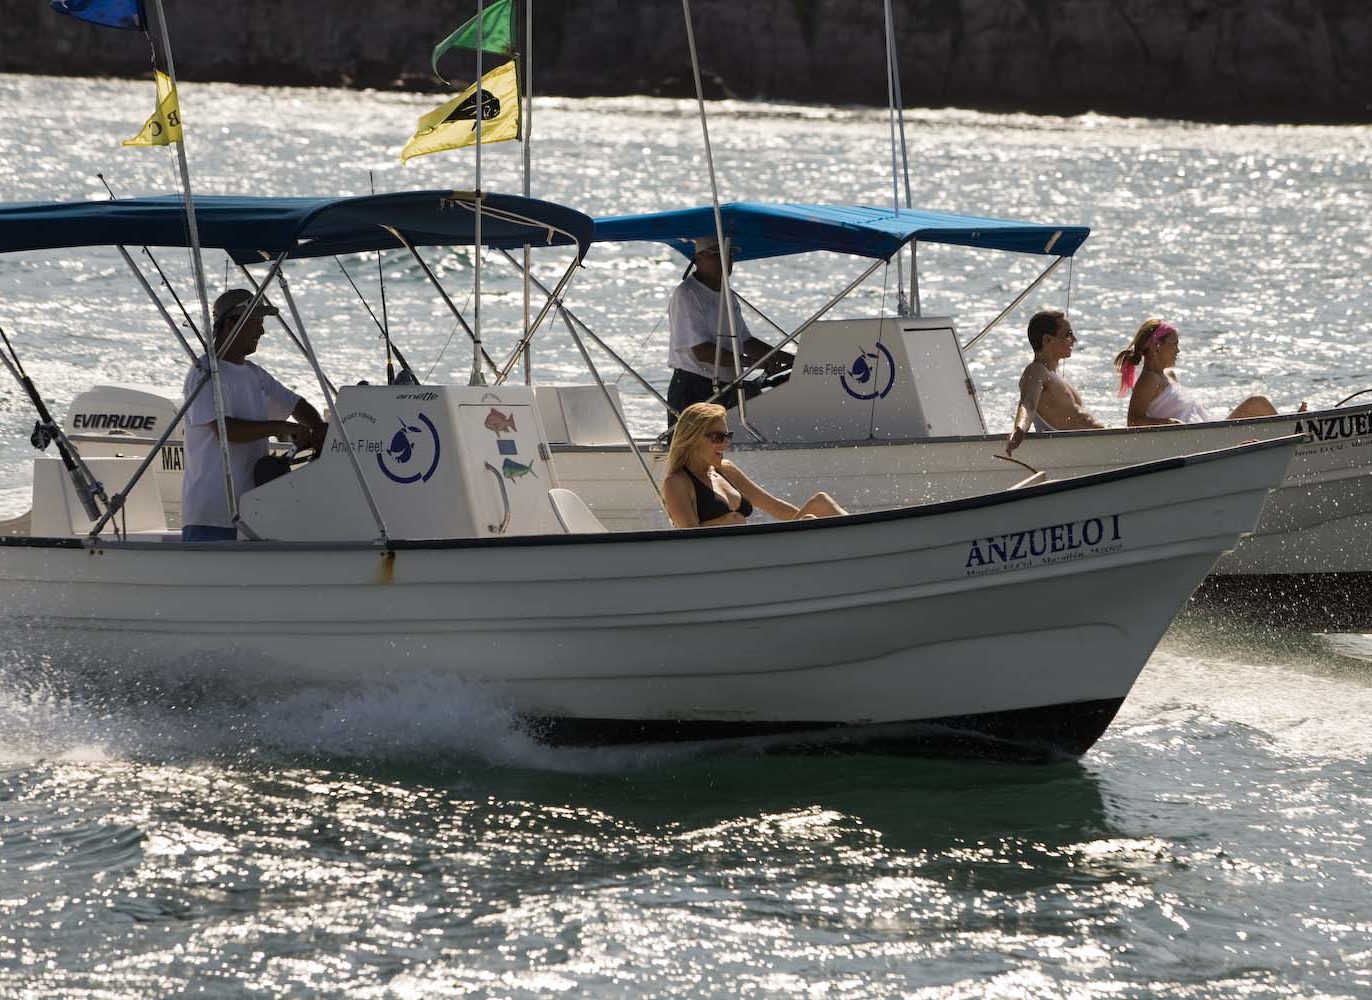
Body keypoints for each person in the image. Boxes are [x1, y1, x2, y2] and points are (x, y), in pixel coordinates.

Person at [180, 288, 326, 541]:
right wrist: (280, 428)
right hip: (211, 514)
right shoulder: (203, 373)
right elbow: (227, 430)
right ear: (230, 324)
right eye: (255, 323)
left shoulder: (255, 374)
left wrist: (318, 428)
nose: (262, 331)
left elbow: (297, 404)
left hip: (251, 509)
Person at [666, 235, 792, 428]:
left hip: (727, 385)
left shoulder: (728, 294)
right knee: (696, 445)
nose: (724, 260)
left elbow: (745, 341)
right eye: (716, 254)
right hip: (694, 386)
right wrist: (750, 363)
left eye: (728, 255)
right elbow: (701, 351)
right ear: (698, 258)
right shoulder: (687, 294)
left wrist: (792, 360)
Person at [661, 402, 846, 528]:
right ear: (692, 438)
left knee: (820, 503)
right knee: (810, 519)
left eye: (728, 436)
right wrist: (726, 522)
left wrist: (811, 526)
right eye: (717, 437)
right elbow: (690, 539)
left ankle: (860, 540)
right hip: (728, 560)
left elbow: (774, 507)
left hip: (753, 550)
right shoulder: (676, 483)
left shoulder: (727, 470)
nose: (725, 443)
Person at [1113, 318, 1303, 426]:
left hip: (1208, 428)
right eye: (1174, 344)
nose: (1178, 350)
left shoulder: (1168, 376)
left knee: (1258, 404)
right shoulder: (1149, 380)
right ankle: (1295, 430)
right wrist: (1168, 423)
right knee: (1257, 403)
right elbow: (1133, 421)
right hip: (1199, 440)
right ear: (1156, 346)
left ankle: (1293, 427)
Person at [1005, 309, 1105, 454]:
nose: (1074, 340)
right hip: (1081, 452)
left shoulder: (1054, 376)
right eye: (1068, 334)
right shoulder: (1036, 370)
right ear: (1047, 340)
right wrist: (1019, 430)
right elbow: (1028, 405)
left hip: (1096, 447)